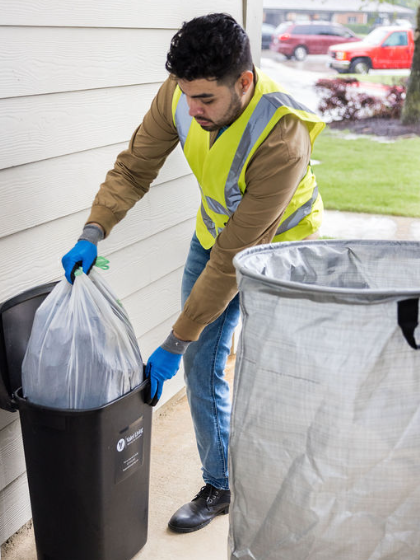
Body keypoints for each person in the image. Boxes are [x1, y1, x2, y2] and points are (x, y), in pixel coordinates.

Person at [62, 13, 325, 533]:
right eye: (187, 95)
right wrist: (93, 231)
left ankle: (297, 479)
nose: (193, 109)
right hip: (217, 235)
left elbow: (238, 256)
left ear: (244, 82)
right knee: (203, 360)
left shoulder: (283, 136)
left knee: (283, 372)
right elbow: (136, 165)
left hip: (285, 257)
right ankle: (221, 485)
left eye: (206, 99)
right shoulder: (181, 95)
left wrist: (174, 339)